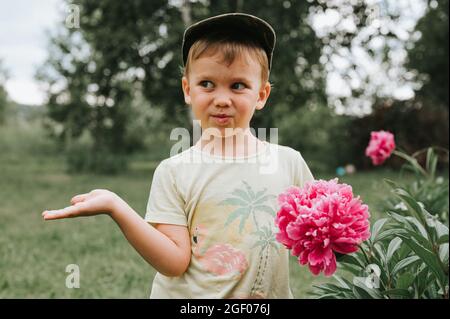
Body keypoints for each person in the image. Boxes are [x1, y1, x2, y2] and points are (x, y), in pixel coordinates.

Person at [42, 13, 314, 298]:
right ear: (188, 89)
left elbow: (324, 233)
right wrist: (116, 206)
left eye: (237, 85)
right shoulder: (174, 171)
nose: (221, 99)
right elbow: (174, 262)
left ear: (261, 95)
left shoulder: (289, 163)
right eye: (207, 84)